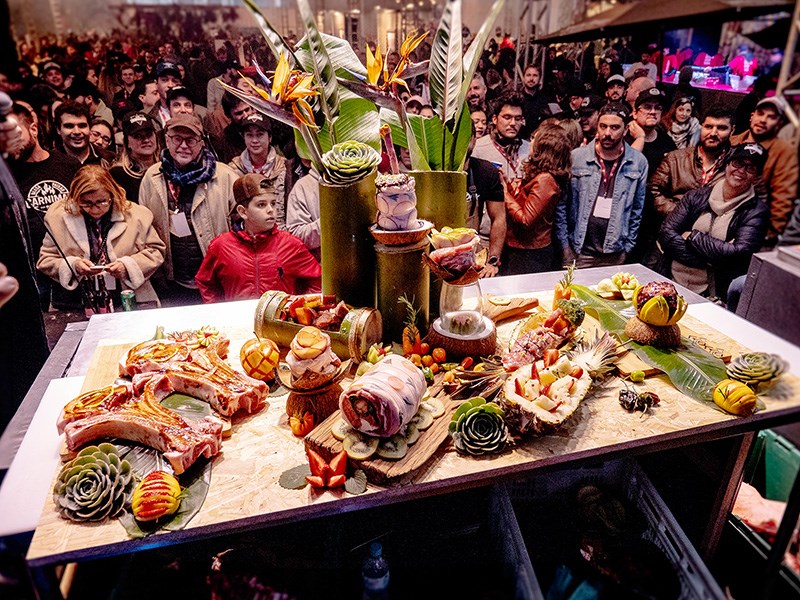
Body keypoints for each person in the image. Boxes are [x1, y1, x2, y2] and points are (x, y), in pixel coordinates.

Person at [138, 114, 238, 306]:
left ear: (201, 142)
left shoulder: (225, 176)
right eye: (177, 139)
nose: (183, 146)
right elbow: (144, 230)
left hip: (217, 281)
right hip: (172, 283)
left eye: (190, 140)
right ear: (166, 140)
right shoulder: (152, 177)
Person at [37, 164, 166, 310]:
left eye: (102, 201)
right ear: (75, 198)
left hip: (128, 298)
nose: (95, 209)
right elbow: (45, 260)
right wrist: (73, 266)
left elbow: (156, 251)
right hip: (75, 301)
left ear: (112, 194)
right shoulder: (57, 217)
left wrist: (128, 266)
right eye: (86, 203)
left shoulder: (136, 215)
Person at [659, 143, 770, 301]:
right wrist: (711, 258)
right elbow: (666, 234)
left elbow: (738, 255)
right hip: (669, 282)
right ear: (727, 164)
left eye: (750, 167)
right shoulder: (695, 196)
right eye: (737, 163)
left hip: (711, 296)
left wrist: (693, 237)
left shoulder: (757, 212)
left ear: (756, 176)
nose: (741, 170)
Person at [195, 173, 321, 303]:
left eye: (273, 204)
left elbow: (317, 279)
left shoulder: (291, 244)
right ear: (243, 211)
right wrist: (219, 310)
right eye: (261, 205)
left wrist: (300, 307)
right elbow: (205, 281)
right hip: (236, 320)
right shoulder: (221, 246)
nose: (270, 210)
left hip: (278, 320)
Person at [7, 101, 82, 309]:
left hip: (71, 268)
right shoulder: (6, 176)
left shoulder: (68, 165)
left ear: (33, 128)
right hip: (29, 276)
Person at [555, 102, 648, 268]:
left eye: (614, 128)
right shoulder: (577, 158)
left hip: (615, 252)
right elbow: (561, 204)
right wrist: (565, 246)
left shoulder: (638, 162)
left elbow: (637, 209)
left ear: (625, 130)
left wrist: (628, 247)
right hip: (580, 249)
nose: (607, 133)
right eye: (603, 126)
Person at [499, 127, 572, 275]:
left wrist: (504, 193)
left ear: (543, 146)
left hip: (530, 254)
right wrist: (506, 185)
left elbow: (526, 219)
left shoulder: (546, 180)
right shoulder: (541, 175)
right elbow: (522, 202)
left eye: (534, 139)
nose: (530, 142)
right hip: (520, 249)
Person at [730, 97, 799, 247]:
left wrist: (764, 236)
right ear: (752, 116)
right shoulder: (732, 141)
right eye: (760, 113)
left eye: (771, 117)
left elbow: (782, 199)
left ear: (779, 124)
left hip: (751, 227)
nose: (763, 120)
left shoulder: (784, 152)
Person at [650, 106, 734, 220]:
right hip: (673, 226)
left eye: (721, 128)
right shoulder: (675, 158)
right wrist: (679, 214)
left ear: (732, 130)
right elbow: (653, 190)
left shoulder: (736, 165)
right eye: (708, 127)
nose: (713, 133)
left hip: (711, 230)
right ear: (701, 127)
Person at [228, 113, 288, 228]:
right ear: (243, 138)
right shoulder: (233, 170)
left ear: (270, 137)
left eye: (260, 135)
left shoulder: (284, 167)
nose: (254, 140)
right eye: (249, 135)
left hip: (280, 231)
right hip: (246, 233)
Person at [472, 90, 529, 182]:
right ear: (495, 119)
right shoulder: (478, 148)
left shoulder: (529, 149)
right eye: (507, 118)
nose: (513, 123)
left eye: (518, 119)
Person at [109, 111, 160, 203]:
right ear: (127, 142)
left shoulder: (167, 167)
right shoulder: (118, 174)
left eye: (149, 134)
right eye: (138, 136)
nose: (146, 140)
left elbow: (177, 206)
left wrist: (179, 218)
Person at [54, 101, 113, 166]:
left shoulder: (108, 159)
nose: (77, 132)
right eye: (69, 126)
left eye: (82, 126)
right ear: (58, 130)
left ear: (89, 128)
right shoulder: (51, 162)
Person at [285, 163, 321, 262]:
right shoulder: (303, 186)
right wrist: (329, 220)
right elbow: (296, 237)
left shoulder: (365, 179)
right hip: (320, 270)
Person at [519, 64, 549, 140]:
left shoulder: (545, 100)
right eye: (528, 75)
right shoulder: (517, 98)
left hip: (539, 140)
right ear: (523, 77)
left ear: (540, 79)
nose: (531, 79)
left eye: (535, 75)